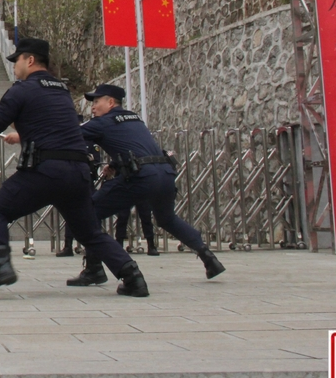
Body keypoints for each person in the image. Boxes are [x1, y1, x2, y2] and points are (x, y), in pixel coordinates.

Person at [0, 38, 148, 297]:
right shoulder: (60, 90)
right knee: (89, 231)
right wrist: (4, 110)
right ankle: (133, 277)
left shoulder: (21, 89)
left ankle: (0, 265)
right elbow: (38, 122)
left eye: (17, 60)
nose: (15, 66)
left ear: (29, 60)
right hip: (77, 172)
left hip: (45, 170)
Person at [71, 84, 224, 286]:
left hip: (142, 177)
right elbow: (136, 145)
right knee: (167, 218)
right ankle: (208, 258)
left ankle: (94, 269)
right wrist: (115, 164)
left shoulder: (103, 122)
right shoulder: (134, 118)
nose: (92, 107)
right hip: (165, 173)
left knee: (89, 212)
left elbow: (70, 134)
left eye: (96, 102)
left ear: (110, 102)